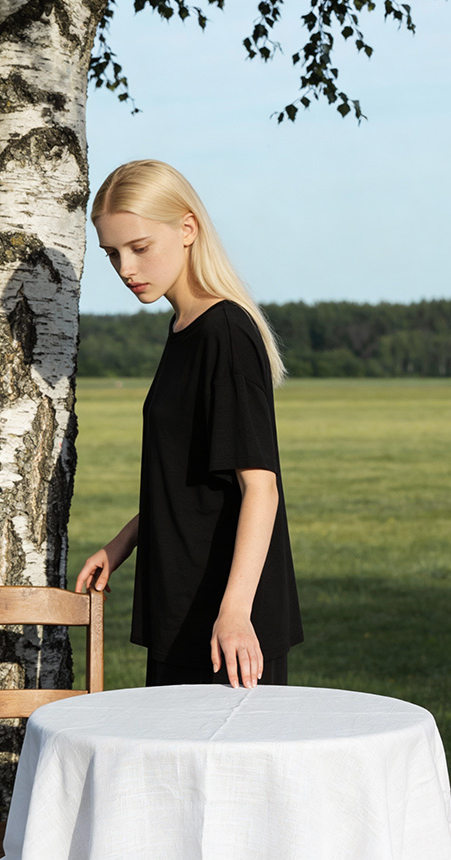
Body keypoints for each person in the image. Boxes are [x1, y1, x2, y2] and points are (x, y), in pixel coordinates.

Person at [75, 160, 304, 689]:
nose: (126, 268)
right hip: (180, 599)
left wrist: (235, 613)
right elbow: (190, 478)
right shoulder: (183, 329)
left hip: (227, 622)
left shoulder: (225, 332)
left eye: (139, 247)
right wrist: (122, 544)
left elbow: (260, 488)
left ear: (187, 228)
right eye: (112, 253)